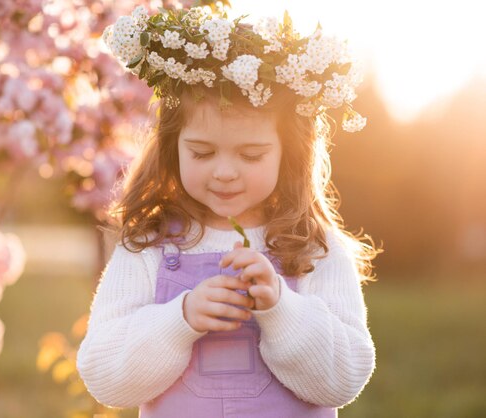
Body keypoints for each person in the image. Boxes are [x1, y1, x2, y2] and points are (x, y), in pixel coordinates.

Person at [77, 4, 381, 417]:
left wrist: (281, 308)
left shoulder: (313, 247)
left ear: (288, 154)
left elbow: (343, 379)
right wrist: (180, 319)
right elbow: (105, 378)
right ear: (172, 148)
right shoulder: (149, 246)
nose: (224, 173)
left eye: (251, 155)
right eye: (201, 152)